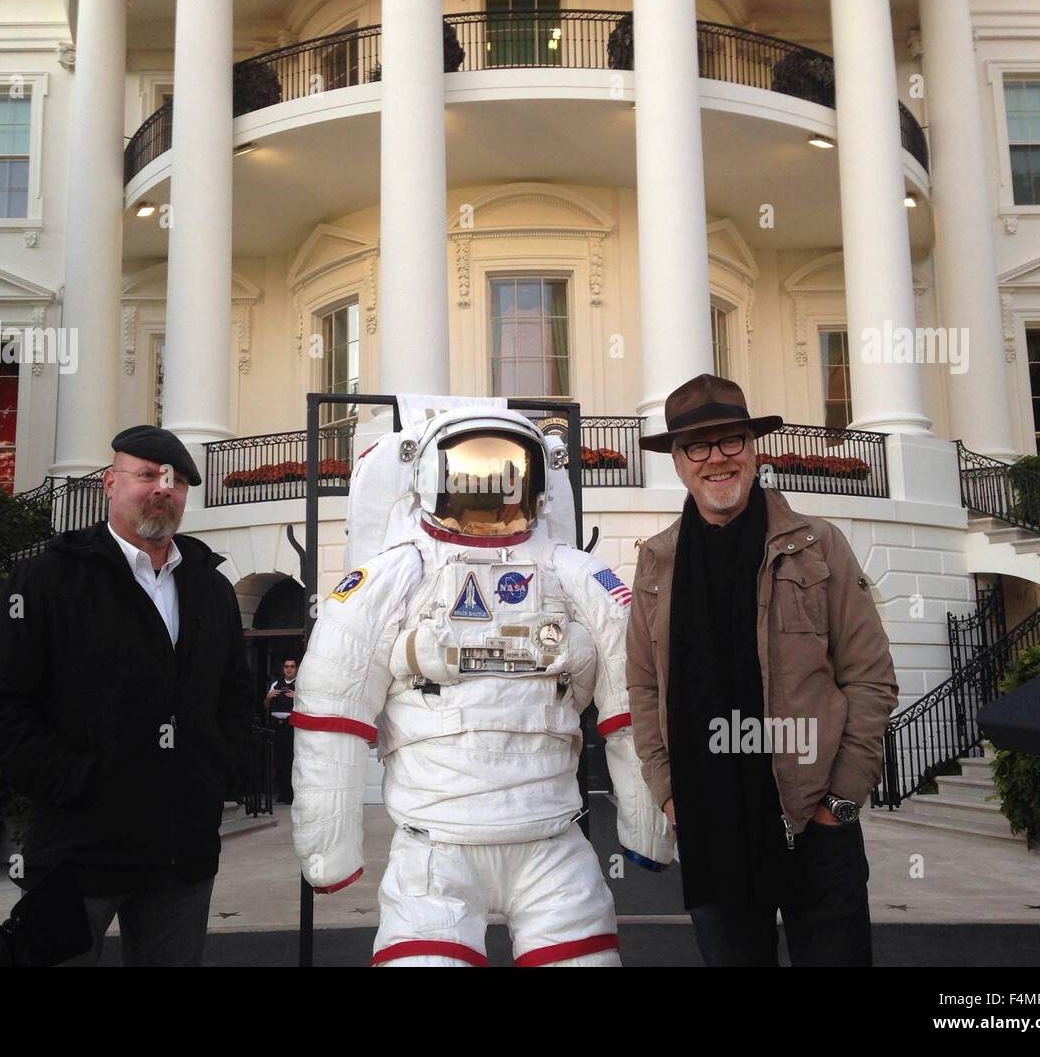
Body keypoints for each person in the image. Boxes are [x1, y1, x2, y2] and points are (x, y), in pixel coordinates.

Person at [290, 403, 674, 967]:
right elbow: (330, 709)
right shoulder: (396, 576)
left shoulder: (575, 575)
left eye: (505, 479)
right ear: (427, 478)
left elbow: (632, 702)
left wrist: (648, 827)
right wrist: (328, 849)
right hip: (435, 847)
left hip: (550, 841)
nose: (490, 499)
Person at [625, 374, 898, 967]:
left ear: (753, 449)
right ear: (678, 461)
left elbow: (871, 677)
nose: (716, 459)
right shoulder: (656, 562)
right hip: (710, 826)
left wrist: (843, 801)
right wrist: (668, 791)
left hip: (813, 824)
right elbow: (644, 686)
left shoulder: (819, 545)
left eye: (731, 441)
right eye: (698, 445)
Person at [0, 424, 255, 966]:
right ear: (110, 483)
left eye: (174, 482)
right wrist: (74, 781)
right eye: (146, 475)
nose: (161, 491)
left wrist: (215, 774)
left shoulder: (209, 586)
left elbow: (234, 696)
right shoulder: (47, 579)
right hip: (77, 853)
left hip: (181, 856)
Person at [264, 658, 298, 803]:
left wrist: (297, 697)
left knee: (291, 760)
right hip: (277, 727)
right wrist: (268, 698)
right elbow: (265, 706)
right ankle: (282, 793)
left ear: (296, 669)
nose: (289, 669)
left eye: (292, 666)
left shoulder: (300, 685)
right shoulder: (276, 684)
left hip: (291, 727)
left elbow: (309, 705)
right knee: (278, 760)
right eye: (286, 666)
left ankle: (291, 794)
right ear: (282, 668)